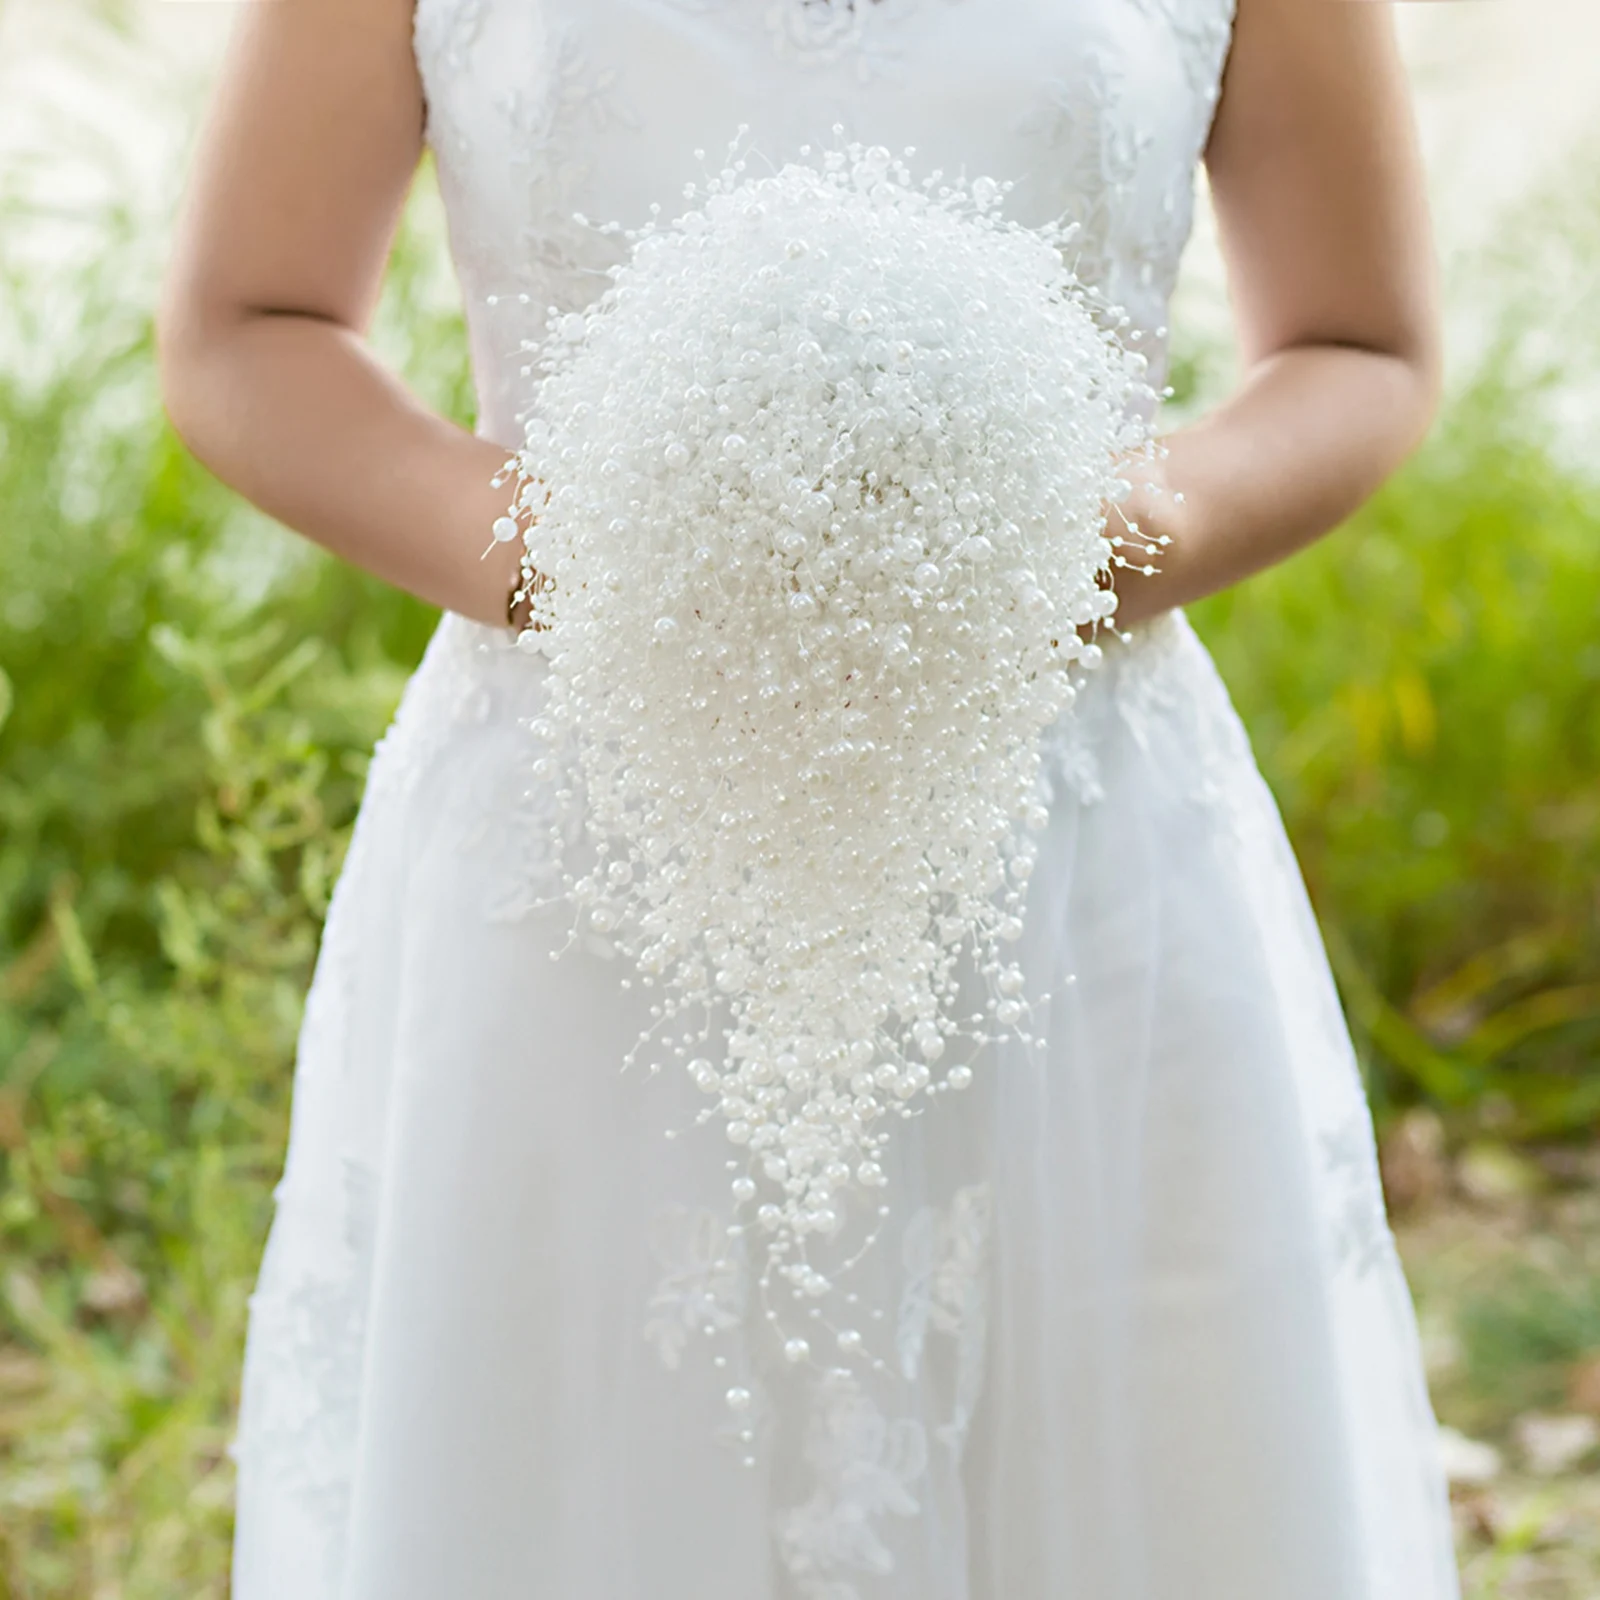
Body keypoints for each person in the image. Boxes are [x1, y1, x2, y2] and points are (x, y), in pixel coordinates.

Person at [157, 0, 1460, 1595]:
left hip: (1073, 852)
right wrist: (588, 553)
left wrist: (1093, 537)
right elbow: (248, 325)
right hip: (581, 844)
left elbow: (1361, 342)